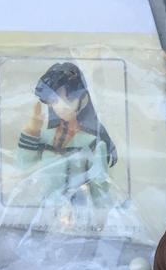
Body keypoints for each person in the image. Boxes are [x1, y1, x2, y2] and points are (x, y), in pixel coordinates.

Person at [16, 62, 116, 206]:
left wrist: (98, 213)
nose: (62, 106)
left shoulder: (93, 143)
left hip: (79, 209)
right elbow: (23, 168)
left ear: (83, 99)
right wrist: (32, 130)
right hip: (44, 208)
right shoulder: (44, 137)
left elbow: (99, 191)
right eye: (55, 100)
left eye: (69, 99)